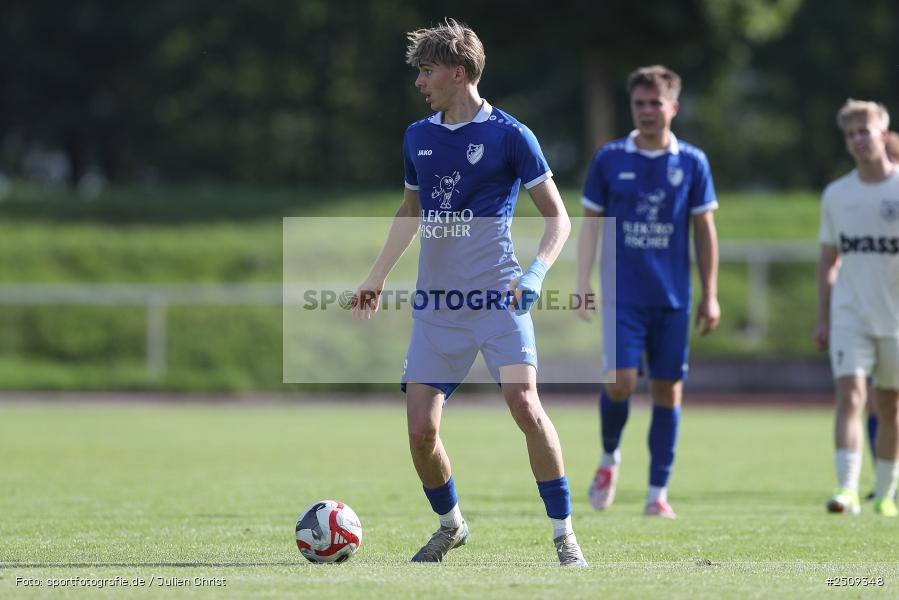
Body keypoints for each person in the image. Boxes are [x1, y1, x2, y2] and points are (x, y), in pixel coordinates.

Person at [352, 19, 586, 566]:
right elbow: (411, 210)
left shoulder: (511, 135)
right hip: (437, 307)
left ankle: (564, 534)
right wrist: (376, 275)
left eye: (427, 71)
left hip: (498, 300)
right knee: (420, 433)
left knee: (525, 405)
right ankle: (451, 526)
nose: (420, 82)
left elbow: (558, 218)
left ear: (458, 74)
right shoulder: (418, 136)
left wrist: (534, 275)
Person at [576, 65, 720, 518]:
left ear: (673, 106)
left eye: (656, 103)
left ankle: (657, 492)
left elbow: (705, 230)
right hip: (624, 296)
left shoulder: (692, 162)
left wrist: (710, 293)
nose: (647, 111)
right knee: (620, 383)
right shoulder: (610, 158)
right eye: (640, 103)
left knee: (667, 392)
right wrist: (582, 281)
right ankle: (609, 458)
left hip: (673, 299)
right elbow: (590, 224)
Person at [815, 100, 899, 517]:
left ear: (883, 133)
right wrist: (823, 317)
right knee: (850, 395)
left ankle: (885, 493)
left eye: (865, 131)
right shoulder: (837, 194)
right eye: (851, 134)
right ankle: (846, 491)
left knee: (890, 404)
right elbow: (829, 260)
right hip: (851, 315)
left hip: (896, 319)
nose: (858, 139)